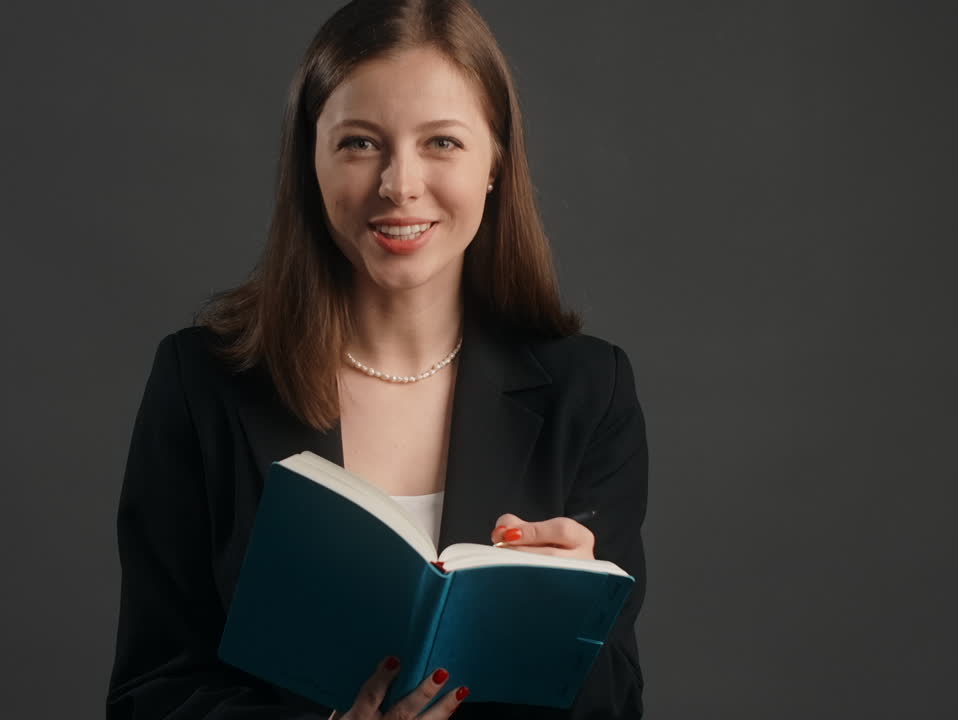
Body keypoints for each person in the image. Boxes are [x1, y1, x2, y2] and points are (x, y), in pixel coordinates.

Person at [105, 1, 648, 718]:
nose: (399, 184)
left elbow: (618, 704)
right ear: (311, 161)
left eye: (442, 142)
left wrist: (579, 629)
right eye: (360, 143)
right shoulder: (201, 384)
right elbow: (150, 693)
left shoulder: (591, 393)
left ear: (495, 162)